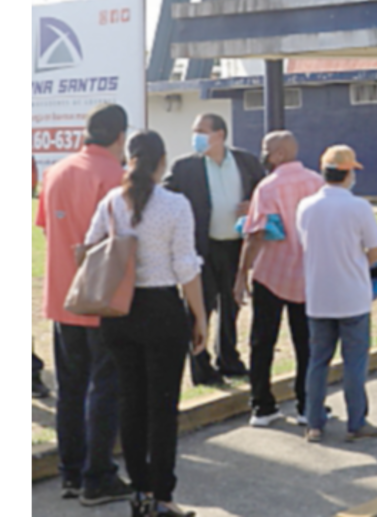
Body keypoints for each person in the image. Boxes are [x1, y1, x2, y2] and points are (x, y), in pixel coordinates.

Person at [86, 131, 206, 517]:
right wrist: (200, 315)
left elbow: (90, 247)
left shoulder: (111, 202)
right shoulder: (175, 205)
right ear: (162, 162)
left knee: (130, 403)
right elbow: (185, 266)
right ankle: (162, 494)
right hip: (161, 309)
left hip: (118, 312)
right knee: (162, 406)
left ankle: (139, 490)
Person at [36, 104, 130, 506]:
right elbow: (127, 243)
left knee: (70, 390)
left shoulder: (56, 171)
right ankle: (98, 476)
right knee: (104, 391)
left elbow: (45, 227)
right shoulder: (115, 177)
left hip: (62, 298)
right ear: (121, 136)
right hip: (103, 300)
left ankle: (70, 473)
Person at [298, 146, 377, 444]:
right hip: (352, 295)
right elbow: (375, 251)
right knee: (354, 363)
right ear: (348, 173)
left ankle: (313, 423)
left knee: (317, 361)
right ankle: (356, 422)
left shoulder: (306, 207)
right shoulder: (359, 207)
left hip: (318, 295)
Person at [232, 131, 324, 428]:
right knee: (307, 343)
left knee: (262, 342)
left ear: (279, 154)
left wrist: (241, 273)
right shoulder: (316, 182)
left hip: (270, 273)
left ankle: (262, 405)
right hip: (308, 274)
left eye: (266, 150)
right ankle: (307, 405)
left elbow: (255, 234)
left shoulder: (267, 187)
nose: (263, 155)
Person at [165, 114, 266, 385]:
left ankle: (229, 360)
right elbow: (165, 196)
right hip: (201, 249)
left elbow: (264, 190)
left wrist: (254, 204)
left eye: (201, 131)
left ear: (219, 134)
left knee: (231, 306)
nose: (195, 136)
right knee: (200, 308)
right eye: (194, 131)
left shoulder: (246, 162)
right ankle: (201, 366)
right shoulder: (185, 167)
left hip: (236, 247)